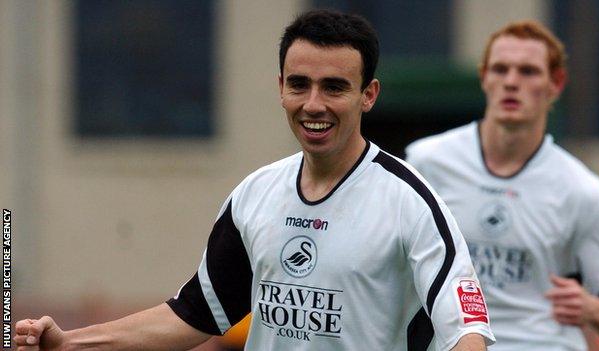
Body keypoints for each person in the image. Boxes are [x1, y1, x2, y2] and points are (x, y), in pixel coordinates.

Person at [15, 9, 494, 351]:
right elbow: (192, 316)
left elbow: (466, 332)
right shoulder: (254, 195)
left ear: (368, 95)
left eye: (334, 87)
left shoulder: (410, 202)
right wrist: (70, 343)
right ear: (280, 87)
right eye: (299, 84)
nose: (313, 104)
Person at [405, 20, 599, 350]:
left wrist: (593, 308)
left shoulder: (583, 190)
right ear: (484, 77)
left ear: (556, 83)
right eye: (500, 69)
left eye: (528, 72)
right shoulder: (426, 161)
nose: (511, 82)